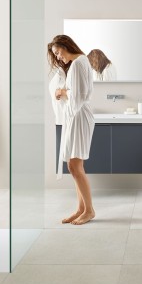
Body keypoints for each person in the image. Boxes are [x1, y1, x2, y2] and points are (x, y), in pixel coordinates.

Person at [47, 35, 95, 225]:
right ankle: (81, 209)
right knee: (76, 165)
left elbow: (77, 97)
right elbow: (78, 93)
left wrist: (60, 92)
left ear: (66, 46)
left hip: (79, 116)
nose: (58, 57)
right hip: (79, 116)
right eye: (56, 55)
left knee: (74, 166)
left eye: (58, 52)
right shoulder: (81, 62)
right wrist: (65, 92)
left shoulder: (77, 64)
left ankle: (89, 210)